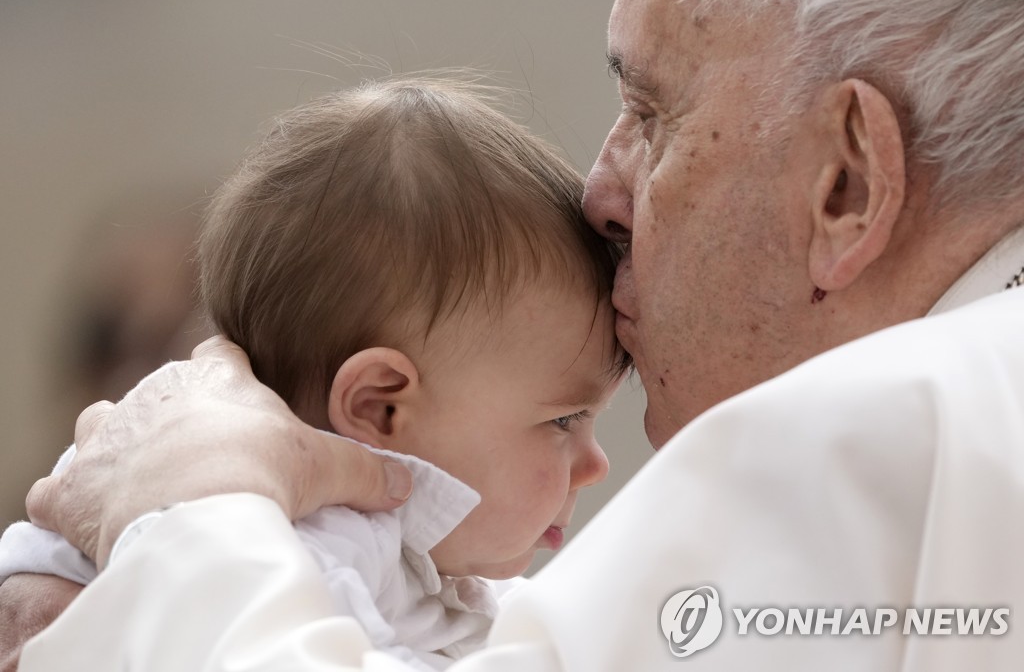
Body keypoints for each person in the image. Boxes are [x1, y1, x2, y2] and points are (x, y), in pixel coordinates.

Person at [6, 0, 1024, 669]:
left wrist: (191, 508)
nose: (599, 193)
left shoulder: (860, 444)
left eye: (651, 113)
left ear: (845, 183)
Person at [0, 78, 626, 669]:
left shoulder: (419, 568)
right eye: (564, 418)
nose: (596, 463)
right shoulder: (319, 550)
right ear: (380, 407)